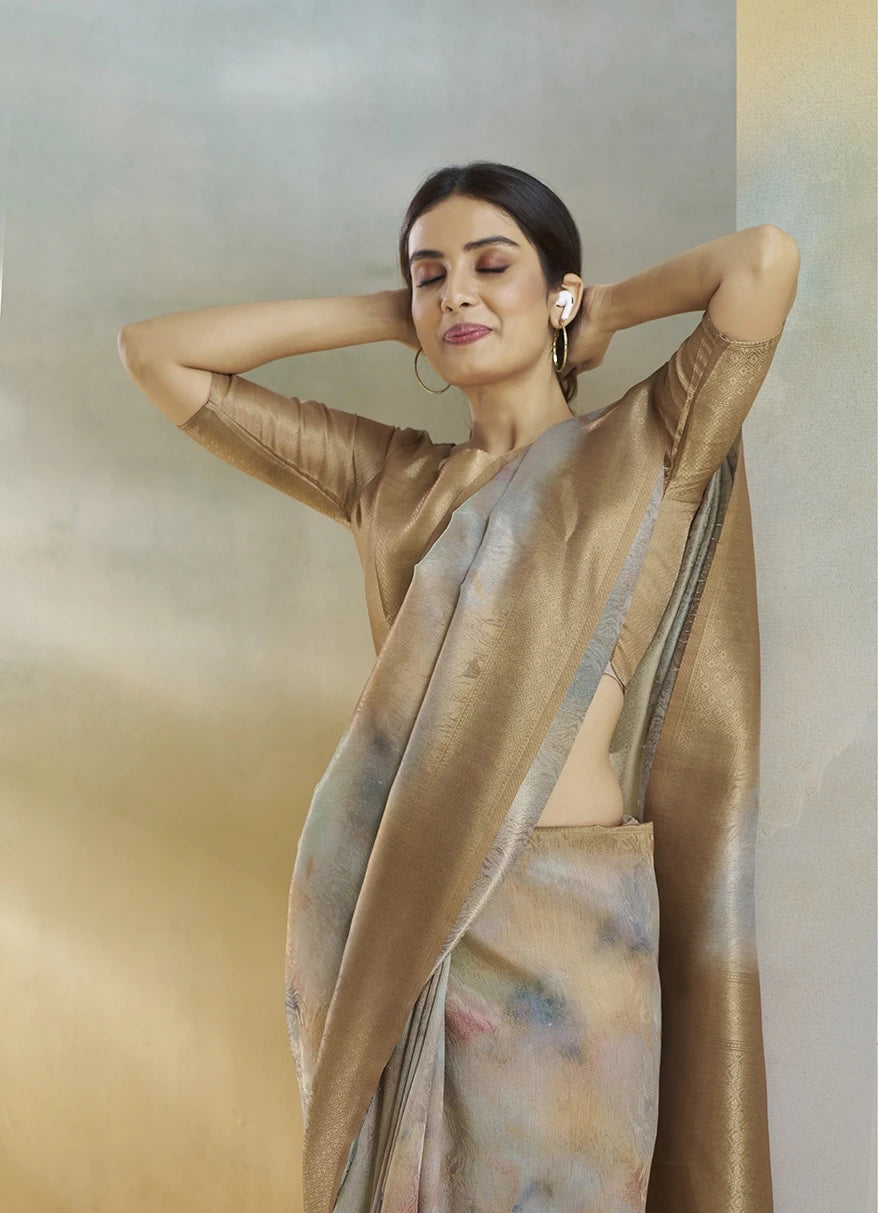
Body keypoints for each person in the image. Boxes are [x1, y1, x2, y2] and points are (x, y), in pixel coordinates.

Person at [117, 161, 799, 1213]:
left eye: (492, 266)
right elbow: (155, 354)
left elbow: (761, 263)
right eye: (428, 275)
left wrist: (598, 308)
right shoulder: (387, 481)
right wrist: (395, 313)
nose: (458, 294)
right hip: (411, 916)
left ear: (553, 287)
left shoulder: (646, 445)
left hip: (575, 941)